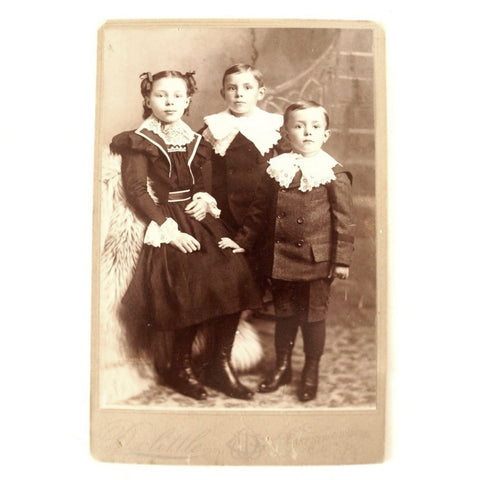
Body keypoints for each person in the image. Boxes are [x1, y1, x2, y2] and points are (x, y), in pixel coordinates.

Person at [110, 70, 263, 401]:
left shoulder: (196, 141)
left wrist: (202, 198)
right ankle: (178, 367)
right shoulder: (139, 140)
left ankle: (218, 365)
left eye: (177, 96)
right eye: (161, 95)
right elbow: (137, 191)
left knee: (233, 269)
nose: (169, 102)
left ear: (188, 100)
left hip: (197, 218)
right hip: (164, 220)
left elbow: (202, 185)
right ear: (148, 100)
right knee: (191, 274)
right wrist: (169, 231)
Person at [219, 100, 355, 402]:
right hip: (281, 259)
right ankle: (283, 368)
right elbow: (257, 213)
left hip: (315, 262)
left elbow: (344, 222)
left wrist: (341, 260)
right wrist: (242, 241)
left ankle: (311, 369)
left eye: (315, 127)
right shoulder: (276, 169)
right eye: (299, 126)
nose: (307, 132)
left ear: (326, 134)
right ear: (285, 133)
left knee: (313, 318)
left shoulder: (333, 173)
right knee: (285, 316)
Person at [201, 63, 284, 288]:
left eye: (247, 87)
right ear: (223, 93)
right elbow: (196, 162)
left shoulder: (272, 127)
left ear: (261, 93)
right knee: (227, 271)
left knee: (257, 271)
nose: (239, 94)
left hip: (261, 212)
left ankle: (249, 317)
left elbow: (292, 161)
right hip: (224, 212)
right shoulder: (213, 128)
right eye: (232, 88)